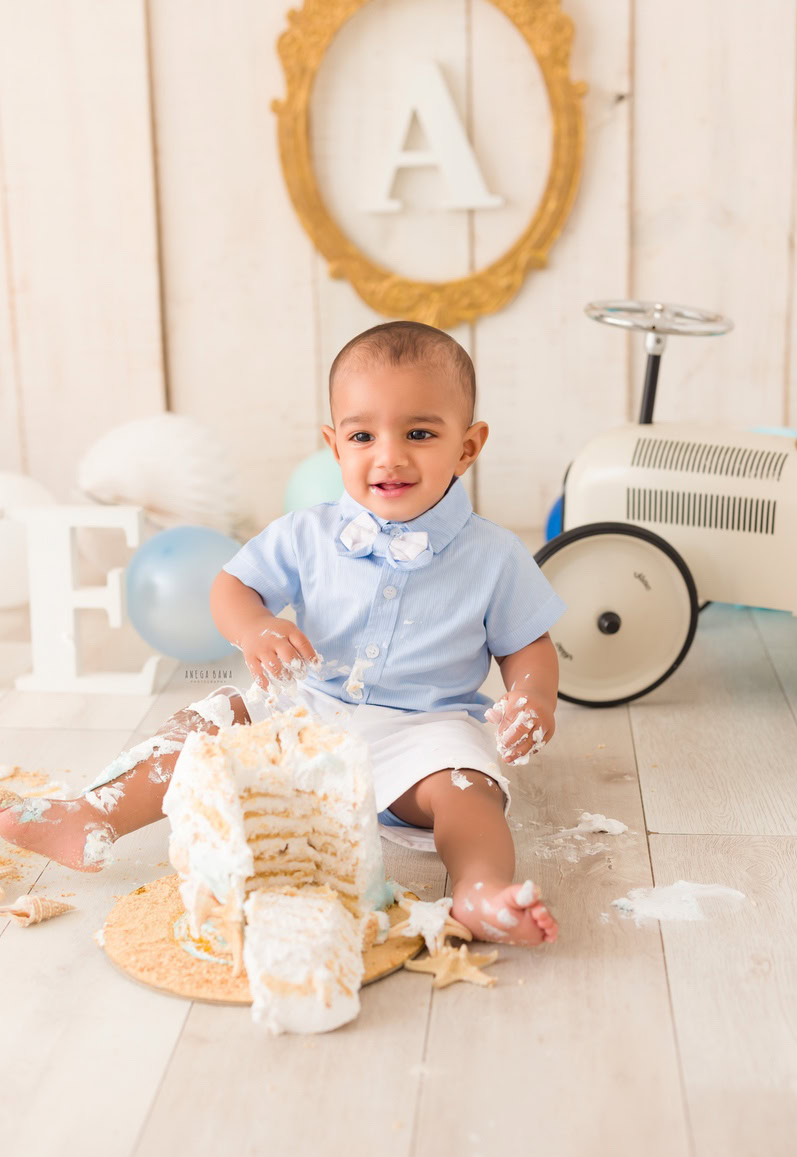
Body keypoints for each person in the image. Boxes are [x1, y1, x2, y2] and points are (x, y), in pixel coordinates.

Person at [0, 321, 565, 946]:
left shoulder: (495, 555)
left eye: (421, 433)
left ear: (468, 445)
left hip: (424, 732)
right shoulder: (308, 533)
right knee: (204, 724)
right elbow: (231, 587)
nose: (390, 455)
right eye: (362, 435)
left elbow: (525, 645)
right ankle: (92, 815)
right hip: (307, 708)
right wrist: (256, 626)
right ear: (335, 445)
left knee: (469, 792)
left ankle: (478, 891)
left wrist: (532, 697)